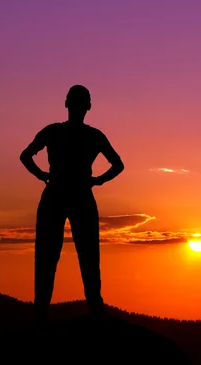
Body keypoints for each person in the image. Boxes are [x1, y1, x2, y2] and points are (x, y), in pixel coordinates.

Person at [20, 84, 124, 325]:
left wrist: (41, 175)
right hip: (77, 196)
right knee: (85, 256)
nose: (77, 106)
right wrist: (97, 181)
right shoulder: (93, 136)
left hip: (57, 194)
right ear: (87, 107)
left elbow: (25, 156)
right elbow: (118, 165)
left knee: (50, 257)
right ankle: (93, 311)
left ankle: (42, 314)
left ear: (68, 104)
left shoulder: (53, 132)